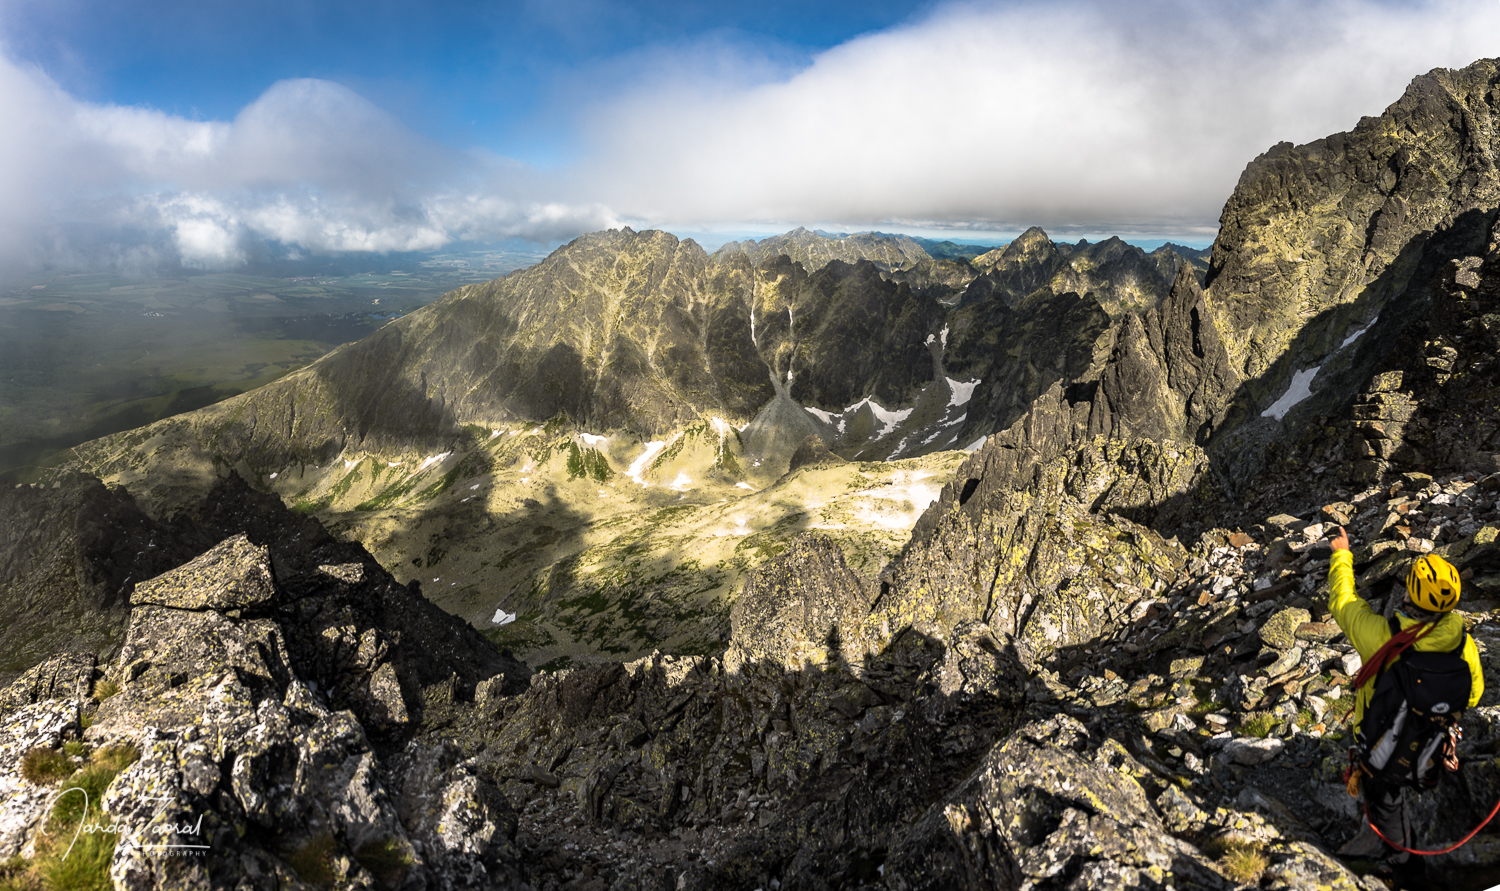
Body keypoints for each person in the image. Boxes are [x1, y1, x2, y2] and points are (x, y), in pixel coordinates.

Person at [1327, 525, 1484, 873]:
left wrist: (1341, 555)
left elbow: (1343, 602)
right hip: (1431, 743)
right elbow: (1473, 695)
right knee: (1397, 789)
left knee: (1385, 799)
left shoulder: (1385, 639)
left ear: (1410, 595)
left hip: (1381, 743)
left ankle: (1401, 864)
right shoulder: (1462, 643)